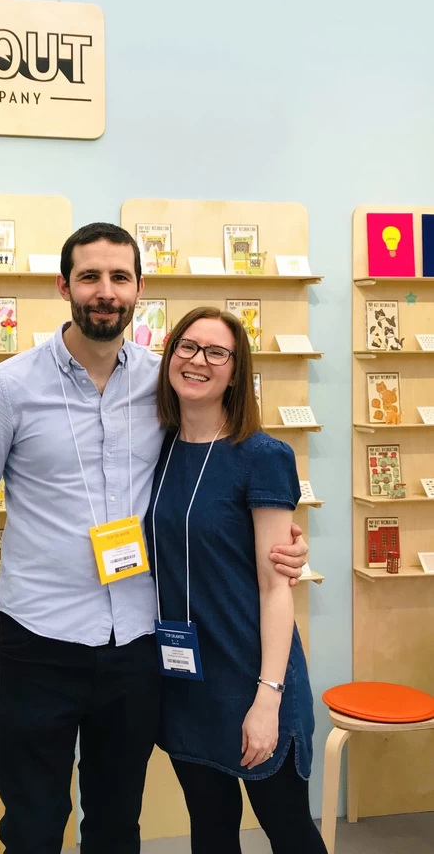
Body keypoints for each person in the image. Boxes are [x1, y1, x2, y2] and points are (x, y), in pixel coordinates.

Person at [0, 223, 309, 854]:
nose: (105, 292)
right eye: (90, 277)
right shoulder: (6, 390)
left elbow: (216, 469)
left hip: (137, 644)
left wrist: (281, 542)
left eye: (119, 278)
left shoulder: (160, 383)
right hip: (41, 639)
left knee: (115, 822)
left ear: (138, 290)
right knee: (32, 821)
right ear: (64, 286)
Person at [146, 305, 327, 854]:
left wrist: (267, 698)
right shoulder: (154, 449)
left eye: (216, 352)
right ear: (170, 355)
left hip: (254, 678)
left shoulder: (264, 456)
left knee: (289, 831)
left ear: (235, 370)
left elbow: (277, 587)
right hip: (186, 679)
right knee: (211, 829)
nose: (198, 361)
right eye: (187, 346)